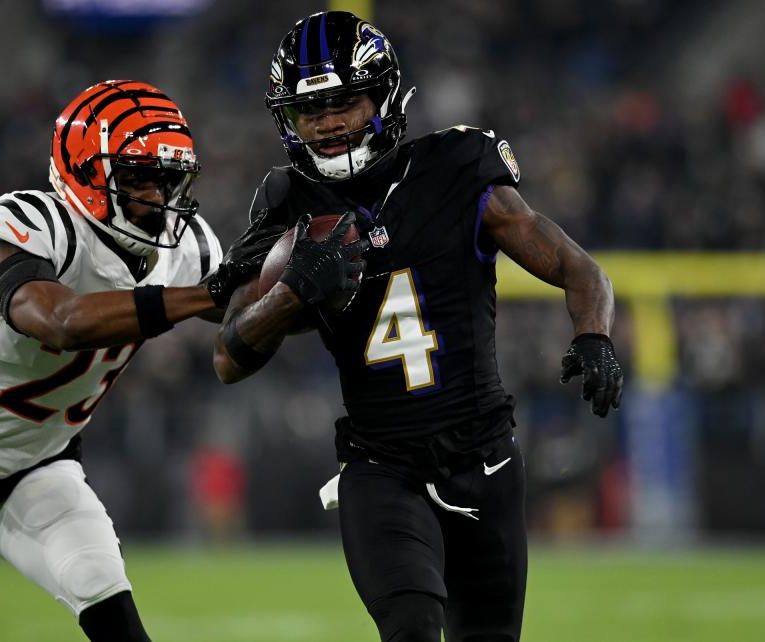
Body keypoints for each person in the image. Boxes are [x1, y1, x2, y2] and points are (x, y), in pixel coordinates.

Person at [213, 12, 624, 642]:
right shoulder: (286, 203)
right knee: (411, 626)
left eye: (342, 102)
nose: (325, 123)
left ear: (383, 96)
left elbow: (578, 268)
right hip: (381, 467)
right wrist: (293, 294)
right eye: (308, 110)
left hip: (483, 456)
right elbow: (230, 354)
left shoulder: (458, 166)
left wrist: (594, 335)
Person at [0, 80, 271, 642]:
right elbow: (60, 322)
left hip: (41, 466)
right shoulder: (35, 223)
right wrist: (211, 294)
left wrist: (300, 279)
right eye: (138, 178)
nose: (157, 197)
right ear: (87, 174)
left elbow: (249, 308)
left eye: (165, 178)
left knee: (113, 610)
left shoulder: (183, 247)